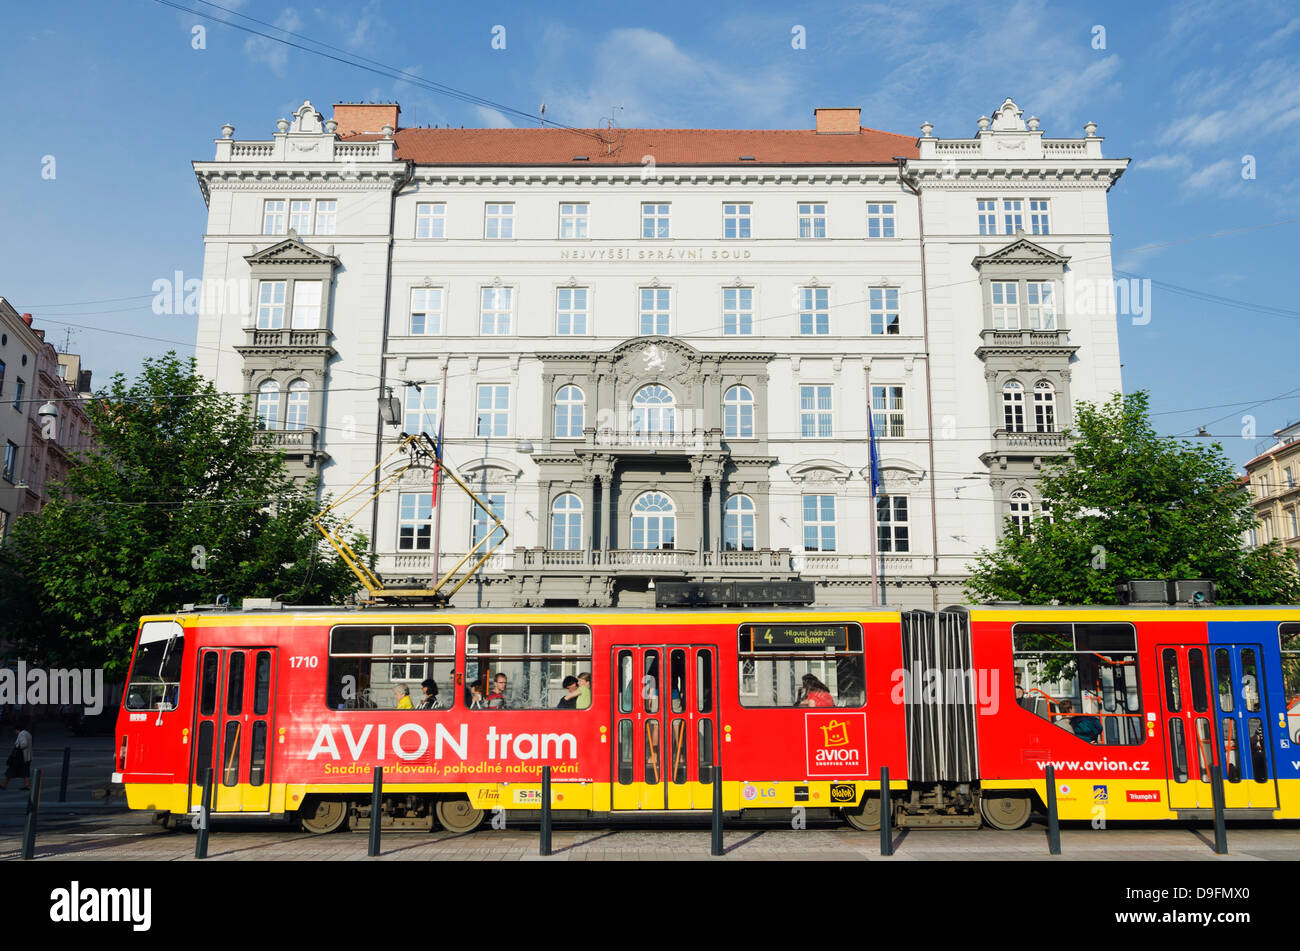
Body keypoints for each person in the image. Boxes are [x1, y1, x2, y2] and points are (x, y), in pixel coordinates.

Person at [1, 721, 32, 791]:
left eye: (15, 730)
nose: (15, 732)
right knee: (25, 771)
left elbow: (24, 744)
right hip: (27, 755)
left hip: (20, 756)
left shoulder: (21, 734)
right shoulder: (28, 733)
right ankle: (27, 785)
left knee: (11, 770)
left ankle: (4, 785)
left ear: (17, 729)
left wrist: (18, 747)